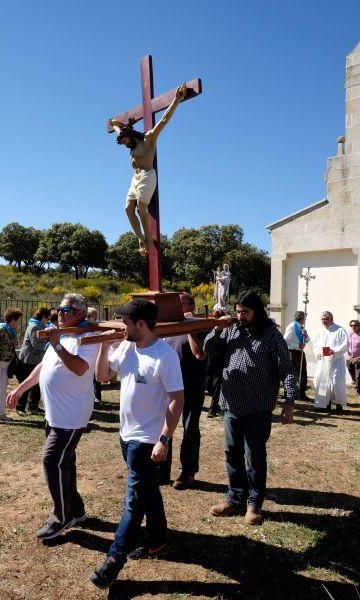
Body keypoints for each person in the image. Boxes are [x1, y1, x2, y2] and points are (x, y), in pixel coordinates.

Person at [90, 298, 184, 589]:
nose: (122, 326)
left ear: (141, 324)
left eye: (126, 322)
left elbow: (177, 399)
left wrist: (164, 440)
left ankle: (114, 559)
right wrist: (105, 346)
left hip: (147, 441)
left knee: (133, 501)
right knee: (147, 491)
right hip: (126, 436)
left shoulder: (164, 356)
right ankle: (157, 541)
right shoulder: (127, 347)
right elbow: (102, 376)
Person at [6, 293, 100, 540]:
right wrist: (20, 389)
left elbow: (80, 368)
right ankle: (76, 511)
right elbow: (42, 368)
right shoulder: (62, 334)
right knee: (65, 462)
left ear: (81, 312)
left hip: (72, 413)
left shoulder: (89, 338)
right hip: (55, 412)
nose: (60, 313)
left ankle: (62, 517)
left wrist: (57, 344)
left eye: (67, 310)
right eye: (59, 309)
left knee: (51, 460)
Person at [203, 290, 297, 526]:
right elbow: (208, 350)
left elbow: (287, 369)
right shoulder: (231, 330)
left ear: (257, 311)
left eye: (245, 312)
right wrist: (217, 329)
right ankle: (235, 498)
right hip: (231, 405)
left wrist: (289, 402)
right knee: (232, 454)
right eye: (238, 312)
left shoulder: (271, 335)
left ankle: (254, 503)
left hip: (258, 407)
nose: (240, 316)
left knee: (254, 456)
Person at [109, 83, 187, 256]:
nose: (124, 145)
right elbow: (120, 132)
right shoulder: (128, 141)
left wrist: (176, 99)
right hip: (134, 179)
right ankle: (140, 238)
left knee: (140, 208)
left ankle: (148, 238)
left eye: (125, 141)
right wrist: (115, 124)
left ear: (130, 136)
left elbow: (164, 120)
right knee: (128, 209)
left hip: (147, 176)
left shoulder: (148, 139)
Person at [165, 293, 207, 489]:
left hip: (191, 384)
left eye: (181, 304)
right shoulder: (168, 326)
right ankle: (162, 470)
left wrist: (189, 327)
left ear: (191, 305)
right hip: (168, 385)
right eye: (175, 305)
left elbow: (200, 354)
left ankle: (188, 472)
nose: (177, 308)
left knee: (190, 428)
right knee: (166, 426)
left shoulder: (201, 325)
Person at [16, 306, 51, 416]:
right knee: (26, 384)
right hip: (29, 359)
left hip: (37, 360)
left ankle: (33, 406)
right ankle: (20, 407)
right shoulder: (34, 327)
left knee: (37, 385)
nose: (48, 321)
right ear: (43, 317)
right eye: (47, 318)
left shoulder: (41, 326)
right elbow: (35, 344)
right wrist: (50, 345)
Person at [313, 311, 348, 414]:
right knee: (323, 382)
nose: (324, 321)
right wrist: (317, 353)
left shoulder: (340, 330)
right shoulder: (320, 331)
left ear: (331, 319)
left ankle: (339, 405)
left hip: (336, 361)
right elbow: (316, 345)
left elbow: (345, 344)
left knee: (336, 382)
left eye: (326, 319)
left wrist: (335, 351)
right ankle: (324, 404)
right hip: (323, 362)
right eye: (322, 319)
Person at [283, 311, 310, 400]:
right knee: (291, 373)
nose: (305, 320)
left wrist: (305, 335)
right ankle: (289, 393)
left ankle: (301, 393)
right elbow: (285, 342)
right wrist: (297, 345)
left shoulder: (301, 327)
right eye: (304, 319)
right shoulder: (291, 326)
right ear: (301, 318)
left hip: (300, 352)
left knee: (303, 373)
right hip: (292, 352)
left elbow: (307, 340)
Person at [87, 307, 102, 404]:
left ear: (94, 317)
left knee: (96, 378)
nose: (86, 318)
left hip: (95, 356)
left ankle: (97, 397)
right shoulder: (84, 327)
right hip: (87, 357)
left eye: (89, 316)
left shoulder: (97, 329)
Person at [347, 319, 360, 392]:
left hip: (358, 357)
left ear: (358, 326)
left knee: (358, 374)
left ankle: (358, 389)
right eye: (351, 325)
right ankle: (356, 383)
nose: (353, 327)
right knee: (350, 369)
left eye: (355, 325)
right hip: (350, 357)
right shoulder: (349, 334)